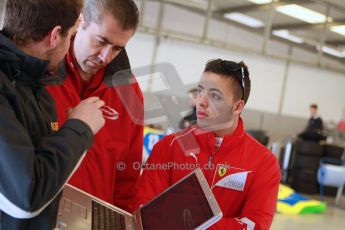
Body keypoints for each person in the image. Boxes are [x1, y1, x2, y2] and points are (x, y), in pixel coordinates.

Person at [135, 59, 281, 229]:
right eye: (200, 91)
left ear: (237, 107)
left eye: (214, 96)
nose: (201, 102)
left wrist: (188, 221)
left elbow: (254, 226)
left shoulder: (264, 163)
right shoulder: (169, 146)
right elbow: (144, 213)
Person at [0, 0, 106, 229]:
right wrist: (80, 127)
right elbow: (27, 195)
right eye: (71, 36)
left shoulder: (37, 87)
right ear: (55, 36)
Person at [47, 0, 142, 212]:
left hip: (97, 219)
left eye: (117, 48)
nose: (105, 57)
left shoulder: (130, 93)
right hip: (38, 216)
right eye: (100, 41)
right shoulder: (41, 71)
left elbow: (127, 175)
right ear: (80, 22)